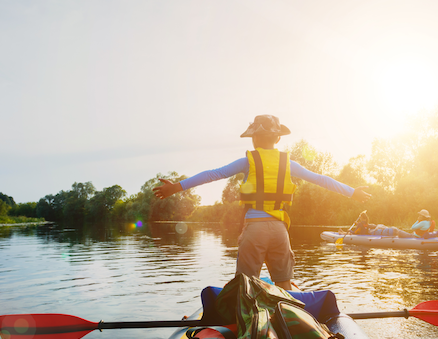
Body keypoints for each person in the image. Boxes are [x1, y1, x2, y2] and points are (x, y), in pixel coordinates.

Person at [153, 115, 371, 290]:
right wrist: (353, 192)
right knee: (284, 284)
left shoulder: (247, 161)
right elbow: (321, 179)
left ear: (254, 139)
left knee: (244, 287)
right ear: (277, 139)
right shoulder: (289, 163)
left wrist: (176, 187)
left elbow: (213, 174)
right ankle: (291, 325)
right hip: (279, 231)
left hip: (255, 229)